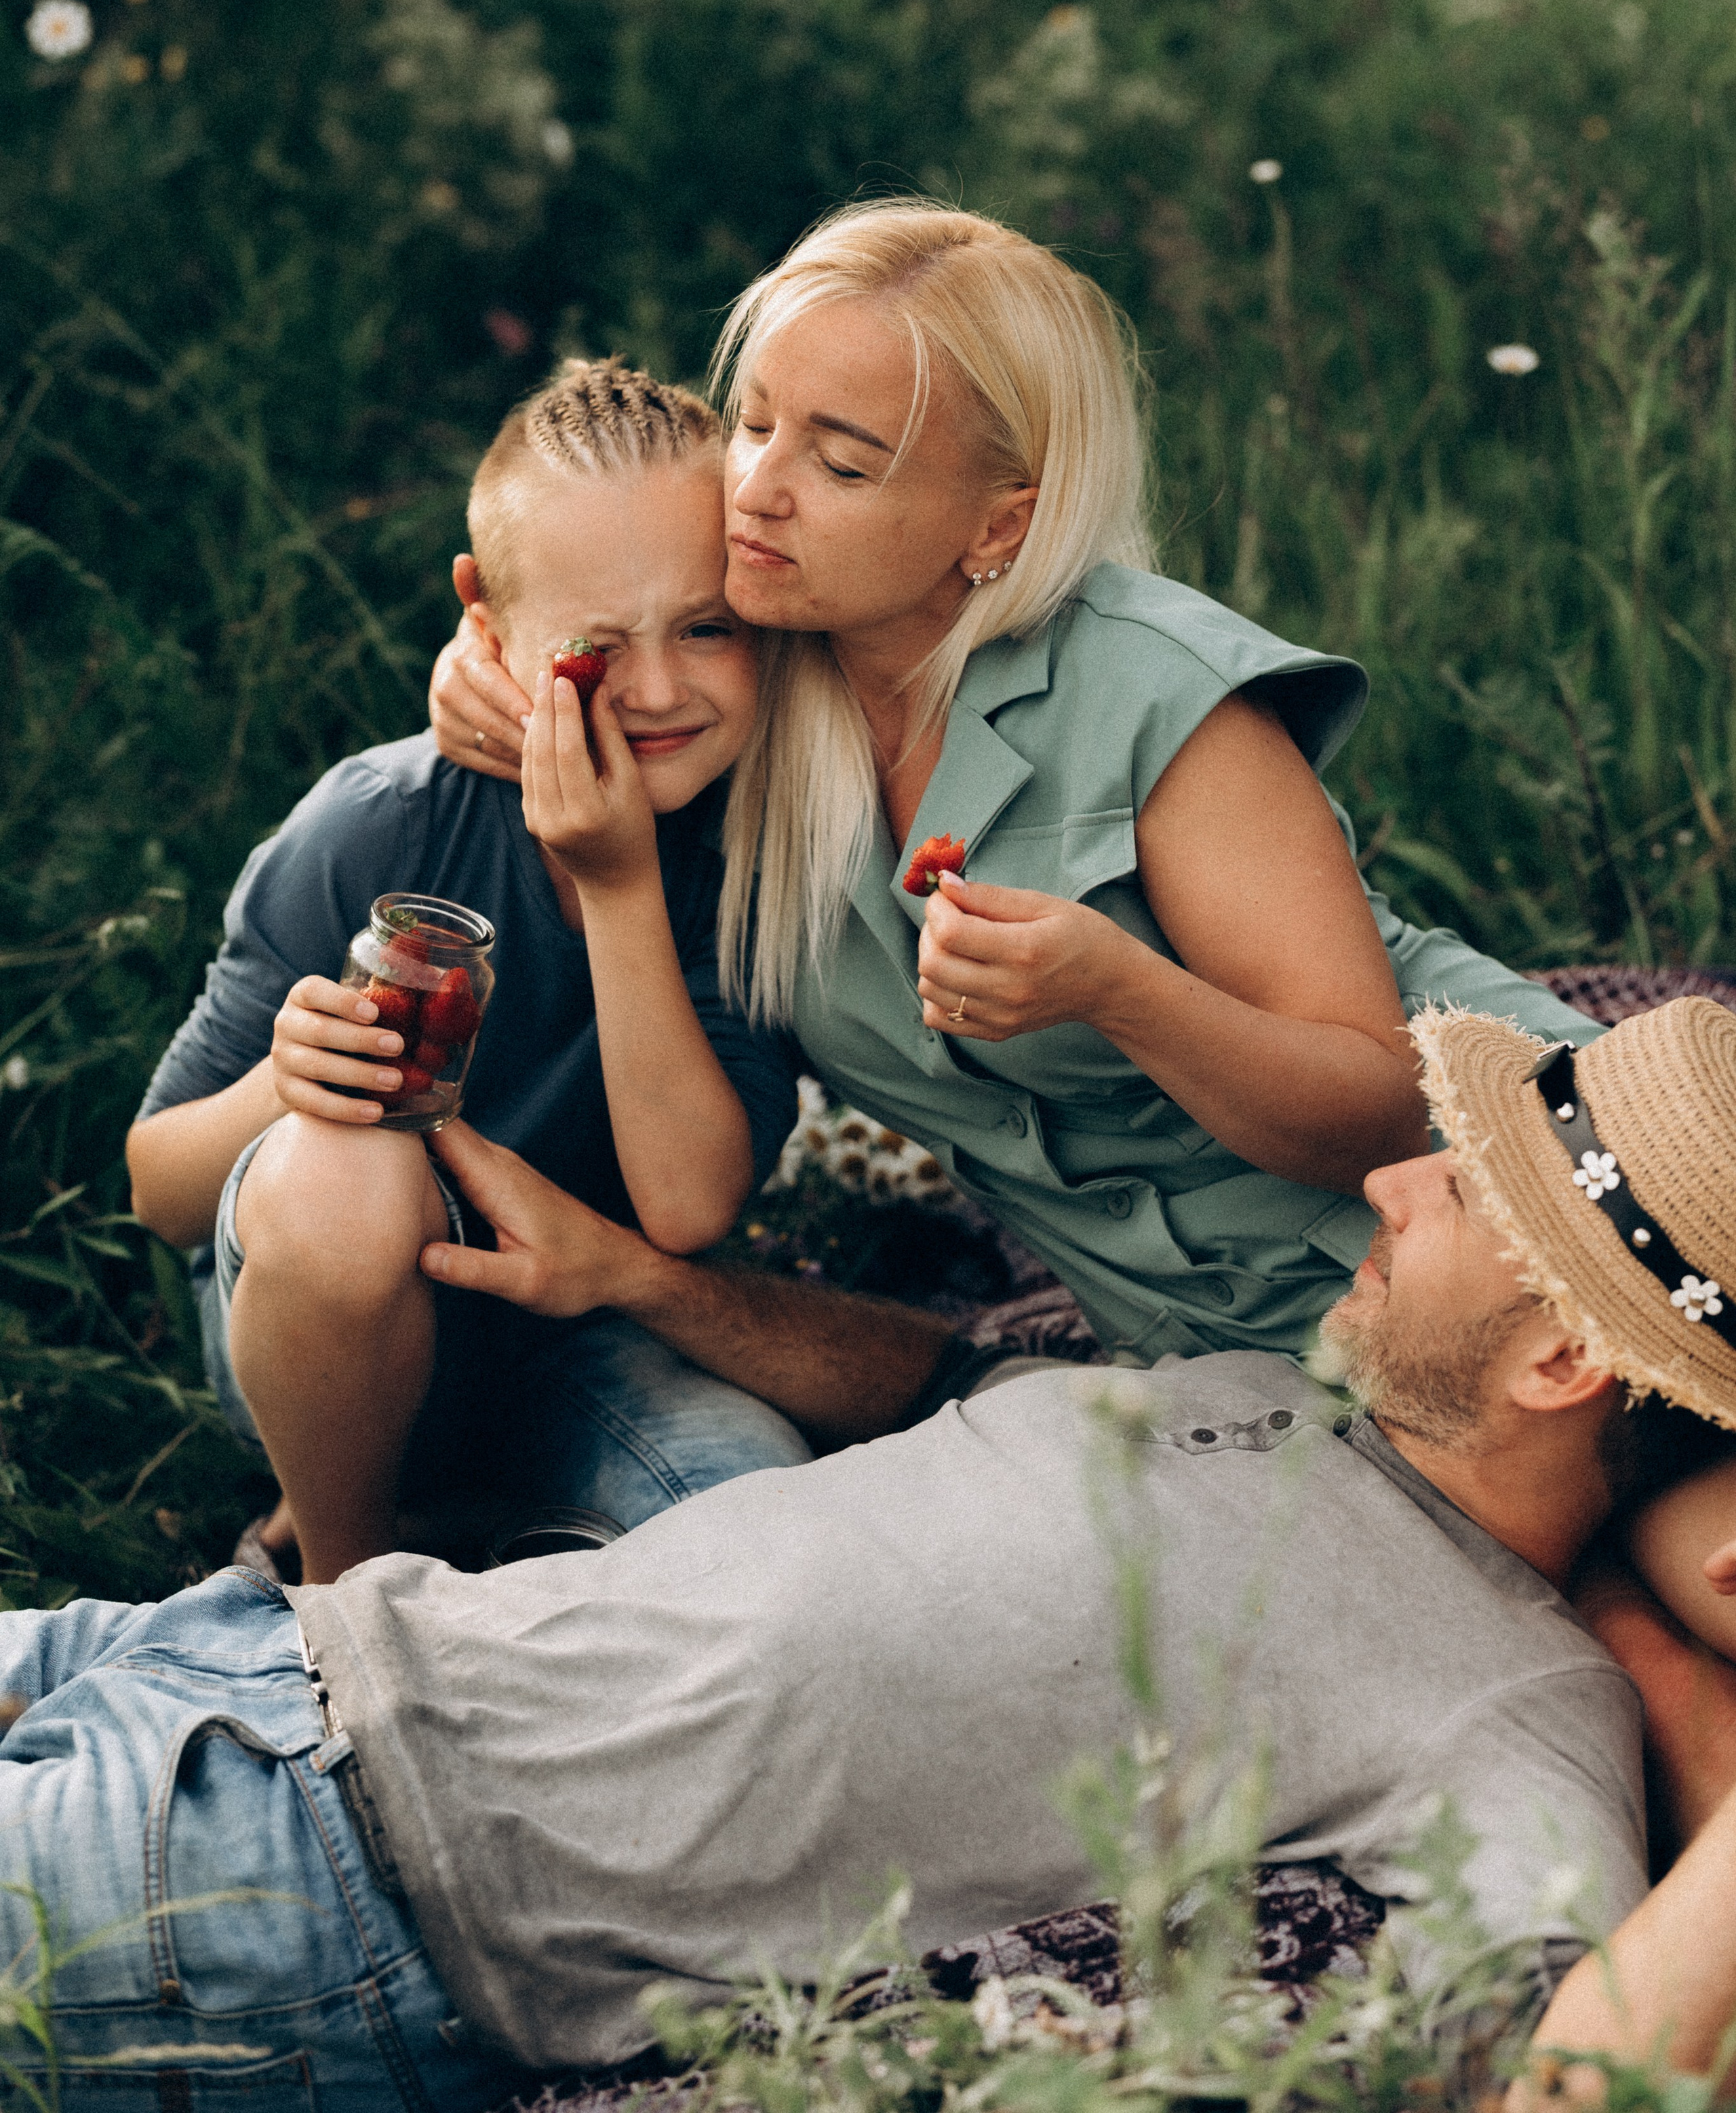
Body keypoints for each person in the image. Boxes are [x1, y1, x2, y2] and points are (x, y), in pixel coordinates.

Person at [11, 994, 1736, 2104]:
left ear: (1562, 1361)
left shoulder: (1505, 1711)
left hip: (325, 1887)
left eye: (1465, 1194)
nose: (1388, 1185)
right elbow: (952, 1382)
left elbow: (1581, 2077)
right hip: (266, 1645)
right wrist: (647, 1284)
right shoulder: (1278, 1397)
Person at [432, 199, 1605, 1376]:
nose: (757, 491)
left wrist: (1121, 991)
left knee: (1682, 1529)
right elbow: (569, 598)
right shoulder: (735, 686)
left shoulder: (1147, 691)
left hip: (1531, 1209)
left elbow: (1388, 1100)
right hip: (1230, 1362)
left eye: (841, 461)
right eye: (752, 426)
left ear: (998, 525)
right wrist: (476, 670)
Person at [125, 363, 823, 1583]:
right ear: (485, 624)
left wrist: (619, 881)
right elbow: (161, 1190)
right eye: (597, 649)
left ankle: (488, 1543)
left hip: (584, 1338)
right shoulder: (381, 825)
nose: (658, 690)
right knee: (350, 1168)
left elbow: (688, 1209)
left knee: (759, 1514)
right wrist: (285, 1086)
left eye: (707, 627)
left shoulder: (757, 856)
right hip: (321, 1324)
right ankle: (340, 1586)